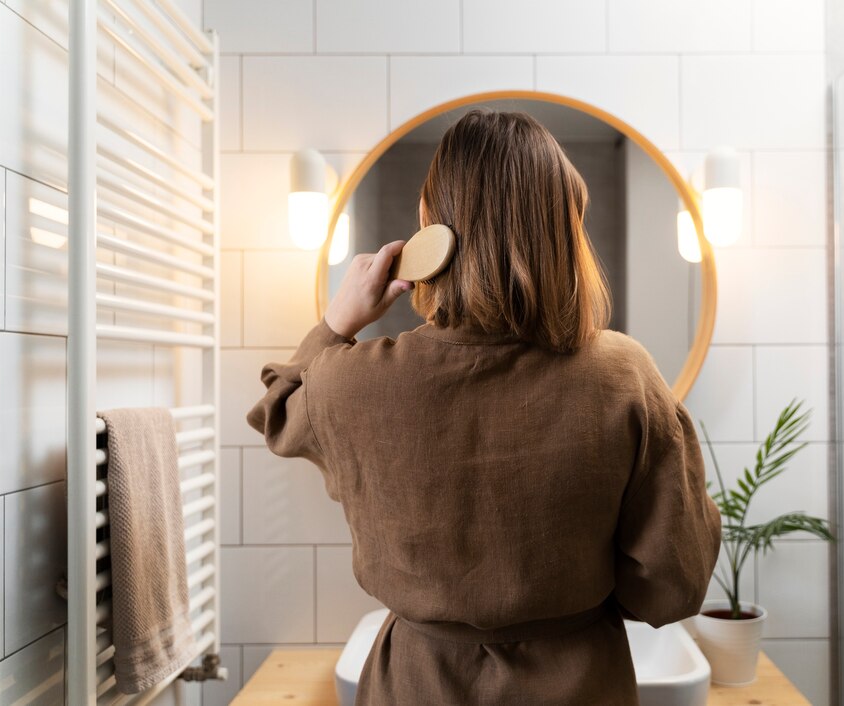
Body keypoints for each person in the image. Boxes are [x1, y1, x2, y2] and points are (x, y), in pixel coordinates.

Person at [247, 109, 722, 705]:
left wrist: (337, 323)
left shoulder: (352, 382)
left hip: (412, 687)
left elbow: (276, 412)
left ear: (429, 233)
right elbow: (673, 585)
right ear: (565, 232)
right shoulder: (624, 376)